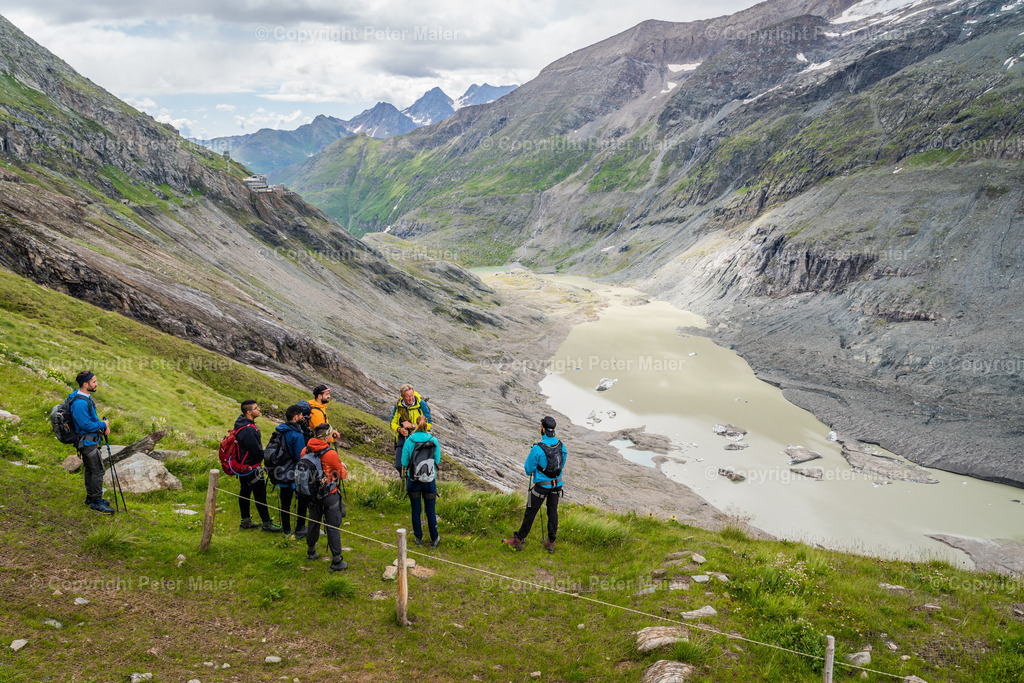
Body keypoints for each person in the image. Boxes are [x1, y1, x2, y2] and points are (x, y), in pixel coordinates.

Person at [504, 416, 566, 554]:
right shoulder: (562, 446)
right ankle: (551, 542)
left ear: (543, 429)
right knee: (552, 512)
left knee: (530, 512)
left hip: (541, 487)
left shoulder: (538, 449)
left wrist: (539, 477)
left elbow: (528, 469)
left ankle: (518, 540)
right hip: (557, 486)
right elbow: (561, 465)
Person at [303, 423, 349, 572]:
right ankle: (336, 560)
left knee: (313, 521)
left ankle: (311, 551)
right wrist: (342, 466)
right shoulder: (330, 454)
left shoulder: (305, 450)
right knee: (332, 525)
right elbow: (341, 475)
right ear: (326, 436)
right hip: (328, 494)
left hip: (311, 493)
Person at [234, 400, 281, 532]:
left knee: (245, 492)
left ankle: (245, 521)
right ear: (249, 412)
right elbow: (255, 451)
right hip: (251, 467)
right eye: (256, 408)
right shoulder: (248, 430)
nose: (258, 409)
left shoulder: (241, 424)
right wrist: (267, 456)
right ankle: (266, 523)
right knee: (260, 495)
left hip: (242, 466)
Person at [69, 370, 113, 514]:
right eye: (94, 381)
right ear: (85, 384)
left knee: (90, 470)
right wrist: (103, 424)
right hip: (87, 443)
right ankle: (96, 502)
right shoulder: (80, 403)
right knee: (97, 471)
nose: (96, 383)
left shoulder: (85, 398)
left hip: (90, 440)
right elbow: (85, 425)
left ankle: (91, 497)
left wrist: (102, 427)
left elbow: (90, 421)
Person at [401, 415, 441, 548]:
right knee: (431, 511)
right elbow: (437, 460)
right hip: (429, 480)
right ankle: (434, 538)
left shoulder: (409, 441)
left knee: (416, 510)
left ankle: (419, 538)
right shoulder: (433, 440)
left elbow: (404, 462)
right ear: (426, 425)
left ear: (415, 425)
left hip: (413, 480)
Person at [272, 404, 309, 537]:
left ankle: (286, 530)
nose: (302, 417)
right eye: (300, 415)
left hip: (280, 471)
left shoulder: (279, 430)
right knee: (302, 500)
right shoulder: (296, 434)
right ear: (295, 417)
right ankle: (300, 528)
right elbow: (300, 456)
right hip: (293, 473)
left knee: (285, 503)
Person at [390, 384, 431, 473]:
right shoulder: (399, 405)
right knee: (399, 465)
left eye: (412, 395)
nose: (410, 399)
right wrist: (399, 430)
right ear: (402, 396)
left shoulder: (422, 405)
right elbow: (392, 423)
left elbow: (429, 425)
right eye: (408, 396)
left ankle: (410, 484)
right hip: (402, 437)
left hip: (418, 439)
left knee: (415, 466)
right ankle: (405, 483)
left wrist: (412, 426)